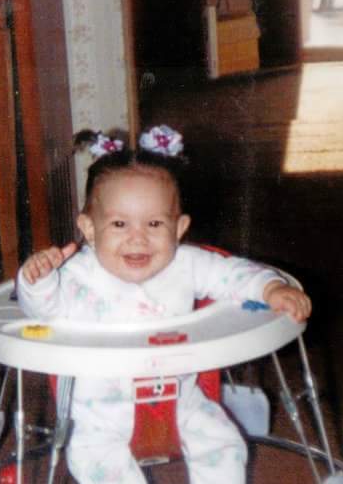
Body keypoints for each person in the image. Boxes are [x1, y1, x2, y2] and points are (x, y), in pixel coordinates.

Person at [17, 125, 312, 484]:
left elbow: (233, 275)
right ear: (90, 229)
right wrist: (38, 279)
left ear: (179, 227)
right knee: (97, 466)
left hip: (182, 401)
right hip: (100, 417)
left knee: (224, 445)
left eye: (155, 223)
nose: (137, 238)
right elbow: (42, 311)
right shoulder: (77, 274)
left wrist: (270, 289)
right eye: (119, 224)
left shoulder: (187, 264)